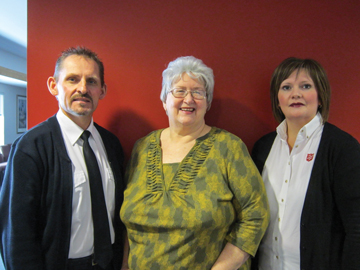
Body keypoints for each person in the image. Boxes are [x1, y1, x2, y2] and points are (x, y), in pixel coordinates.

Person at [120, 56, 269, 270]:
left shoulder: (228, 147)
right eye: (179, 91)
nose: (188, 99)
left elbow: (256, 215)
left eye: (198, 92)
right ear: (164, 101)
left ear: (207, 102)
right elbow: (128, 225)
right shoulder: (142, 149)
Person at [0, 47, 125, 270]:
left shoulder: (111, 145)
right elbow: (16, 234)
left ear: (102, 90)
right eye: (72, 79)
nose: (83, 88)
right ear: (53, 86)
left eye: (92, 81)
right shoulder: (31, 147)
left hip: (110, 264)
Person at [251, 57, 360, 270]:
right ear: (277, 99)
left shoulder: (342, 148)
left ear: (320, 97)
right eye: (286, 87)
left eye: (306, 86)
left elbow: (357, 227)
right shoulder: (262, 148)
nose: (296, 94)